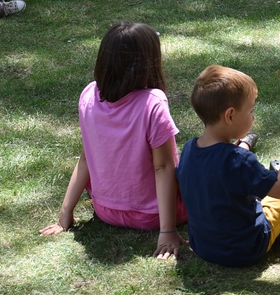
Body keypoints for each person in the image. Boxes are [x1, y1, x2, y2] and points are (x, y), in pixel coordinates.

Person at [39, 23, 188, 260]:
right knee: (203, 157)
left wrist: (65, 214)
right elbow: (163, 167)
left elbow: (86, 157)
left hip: (106, 212)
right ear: (149, 62)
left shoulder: (88, 94)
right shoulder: (153, 102)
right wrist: (167, 231)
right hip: (154, 216)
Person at [176, 65, 280, 267]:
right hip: (246, 247)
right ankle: (278, 230)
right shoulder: (239, 160)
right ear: (230, 115)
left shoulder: (189, 149)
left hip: (203, 246)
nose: (253, 117)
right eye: (251, 110)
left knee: (256, 191)